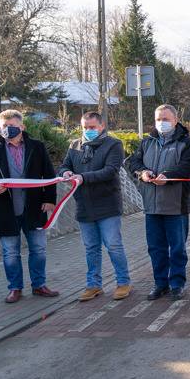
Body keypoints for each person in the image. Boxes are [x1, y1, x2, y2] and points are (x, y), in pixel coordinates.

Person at [0, 109, 60, 303]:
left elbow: (49, 174)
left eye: (12, 125)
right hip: (6, 209)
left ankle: (39, 285)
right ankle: (15, 288)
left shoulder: (37, 147)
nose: (8, 129)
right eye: (4, 126)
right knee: (10, 253)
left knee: (38, 249)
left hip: (35, 208)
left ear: (22, 126)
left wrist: (50, 199)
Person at [126, 104, 190, 301]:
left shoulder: (186, 143)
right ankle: (160, 284)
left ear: (175, 120)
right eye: (158, 119)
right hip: (151, 205)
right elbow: (134, 162)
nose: (161, 123)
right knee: (156, 248)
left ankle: (177, 284)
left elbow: (187, 167)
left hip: (176, 206)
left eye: (165, 119)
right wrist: (143, 172)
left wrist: (168, 176)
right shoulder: (147, 142)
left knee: (177, 248)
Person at [60, 111, 132, 302]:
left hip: (107, 204)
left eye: (92, 127)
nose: (88, 131)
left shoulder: (113, 144)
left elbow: (110, 171)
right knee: (91, 248)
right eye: (85, 127)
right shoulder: (74, 145)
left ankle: (123, 282)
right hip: (84, 205)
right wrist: (66, 172)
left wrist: (83, 177)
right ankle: (93, 285)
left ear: (102, 126)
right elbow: (64, 165)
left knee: (113, 245)